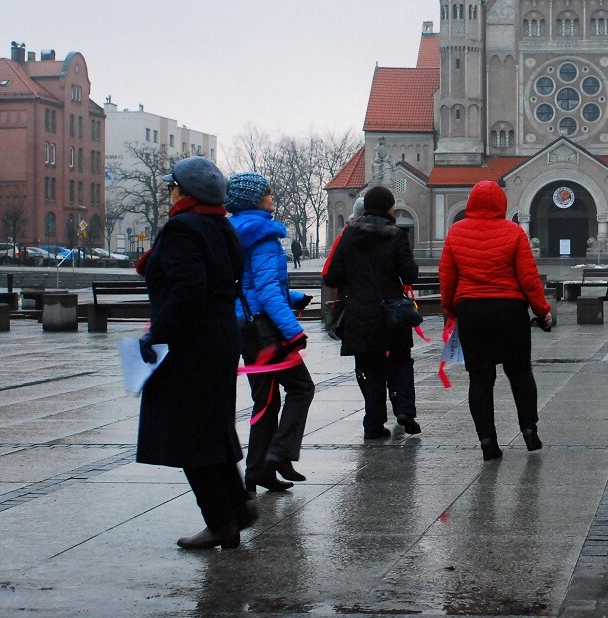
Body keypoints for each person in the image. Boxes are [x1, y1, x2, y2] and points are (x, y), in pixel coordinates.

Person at [136, 156, 256, 550]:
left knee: (190, 435)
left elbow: (188, 289)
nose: (169, 191)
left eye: (172, 186)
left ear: (182, 191)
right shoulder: (221, 225)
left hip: (191, 344)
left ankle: (221, 522)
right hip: (220, 338)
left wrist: (157, 333)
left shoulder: (181, 228)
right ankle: (237, 505)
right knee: (212, 425)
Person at [439, 180, 553, 461]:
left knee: (480, 378)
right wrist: (542, 311)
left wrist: (450, 310)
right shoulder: (513, 232)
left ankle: (487, 439)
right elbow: (529, 278)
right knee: (520, 373)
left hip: (472, 311)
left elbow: (447, 277)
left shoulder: (456, 232)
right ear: (501, 203)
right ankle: (529, 429)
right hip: (509, 310)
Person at [227, 172, 314, 494]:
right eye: (268, 193)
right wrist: (293, 331)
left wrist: (293, 298)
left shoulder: (233, 231)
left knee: (264, 401)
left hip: (244, 326)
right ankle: (280, 453)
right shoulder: (262, 234)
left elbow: (248, 284)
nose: (272, 197)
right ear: (254, 199)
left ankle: (257, 472)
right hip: (264, 328)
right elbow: (264, 290)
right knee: (302, 388)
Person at [324, 186, 420, 440]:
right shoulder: (396, 235)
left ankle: (373, 425)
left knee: (371, 367)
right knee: (401, 360)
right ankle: (405, 410)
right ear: (389, 208)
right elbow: (409, 274)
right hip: (391, 313)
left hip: (359, 313)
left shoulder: (348, 236)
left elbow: (332, 275)